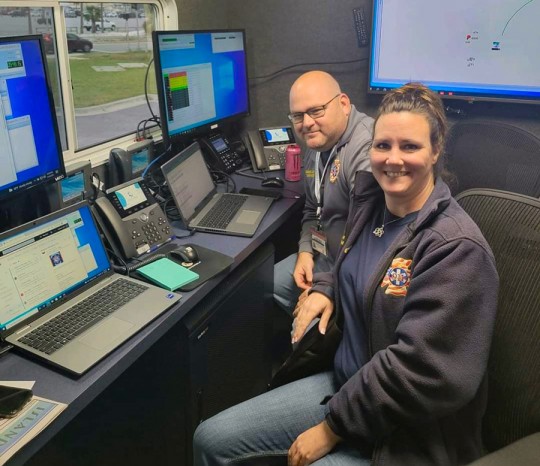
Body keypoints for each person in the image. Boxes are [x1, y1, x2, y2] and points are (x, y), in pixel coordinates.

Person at [193, 83, 499, 466]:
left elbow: (420, 371)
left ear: (436, 151)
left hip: (405, 431)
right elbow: (341, 255)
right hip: (348, 384)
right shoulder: (372, 203)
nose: (393, 159)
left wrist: (331, 428)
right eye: (383, 145)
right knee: (210, 439)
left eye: (410, 146)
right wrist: (326, 285)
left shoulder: (454, 248)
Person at [274, 71, 373, 314]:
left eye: (316, 111)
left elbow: (371, 240)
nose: (307, 123)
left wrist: (327, 287)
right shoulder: (317, 142)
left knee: (306, 327)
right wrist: (305, 251)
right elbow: (313, 208)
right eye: (298, 116)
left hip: (356, 268)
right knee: (267, 286)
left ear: (343, 104)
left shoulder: (367, 149)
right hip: (323, 253)